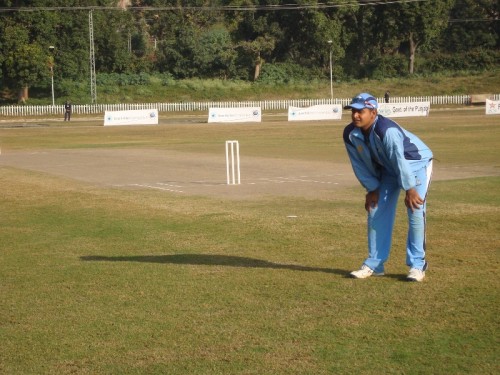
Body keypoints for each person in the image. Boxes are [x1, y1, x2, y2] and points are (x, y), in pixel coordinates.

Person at [343, 93, 433, 282]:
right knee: (375, 210)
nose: (355, 115)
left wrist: (409, 189)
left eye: (361, 111)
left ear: (373, 112)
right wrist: (372, 189)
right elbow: (359, 164)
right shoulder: (350, 134)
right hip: (389, 170)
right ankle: (375, 265)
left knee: (415, 209)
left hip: (415, 164)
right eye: (353, 111)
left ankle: (417, 265)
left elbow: (400, 160)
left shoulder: (387, 131)